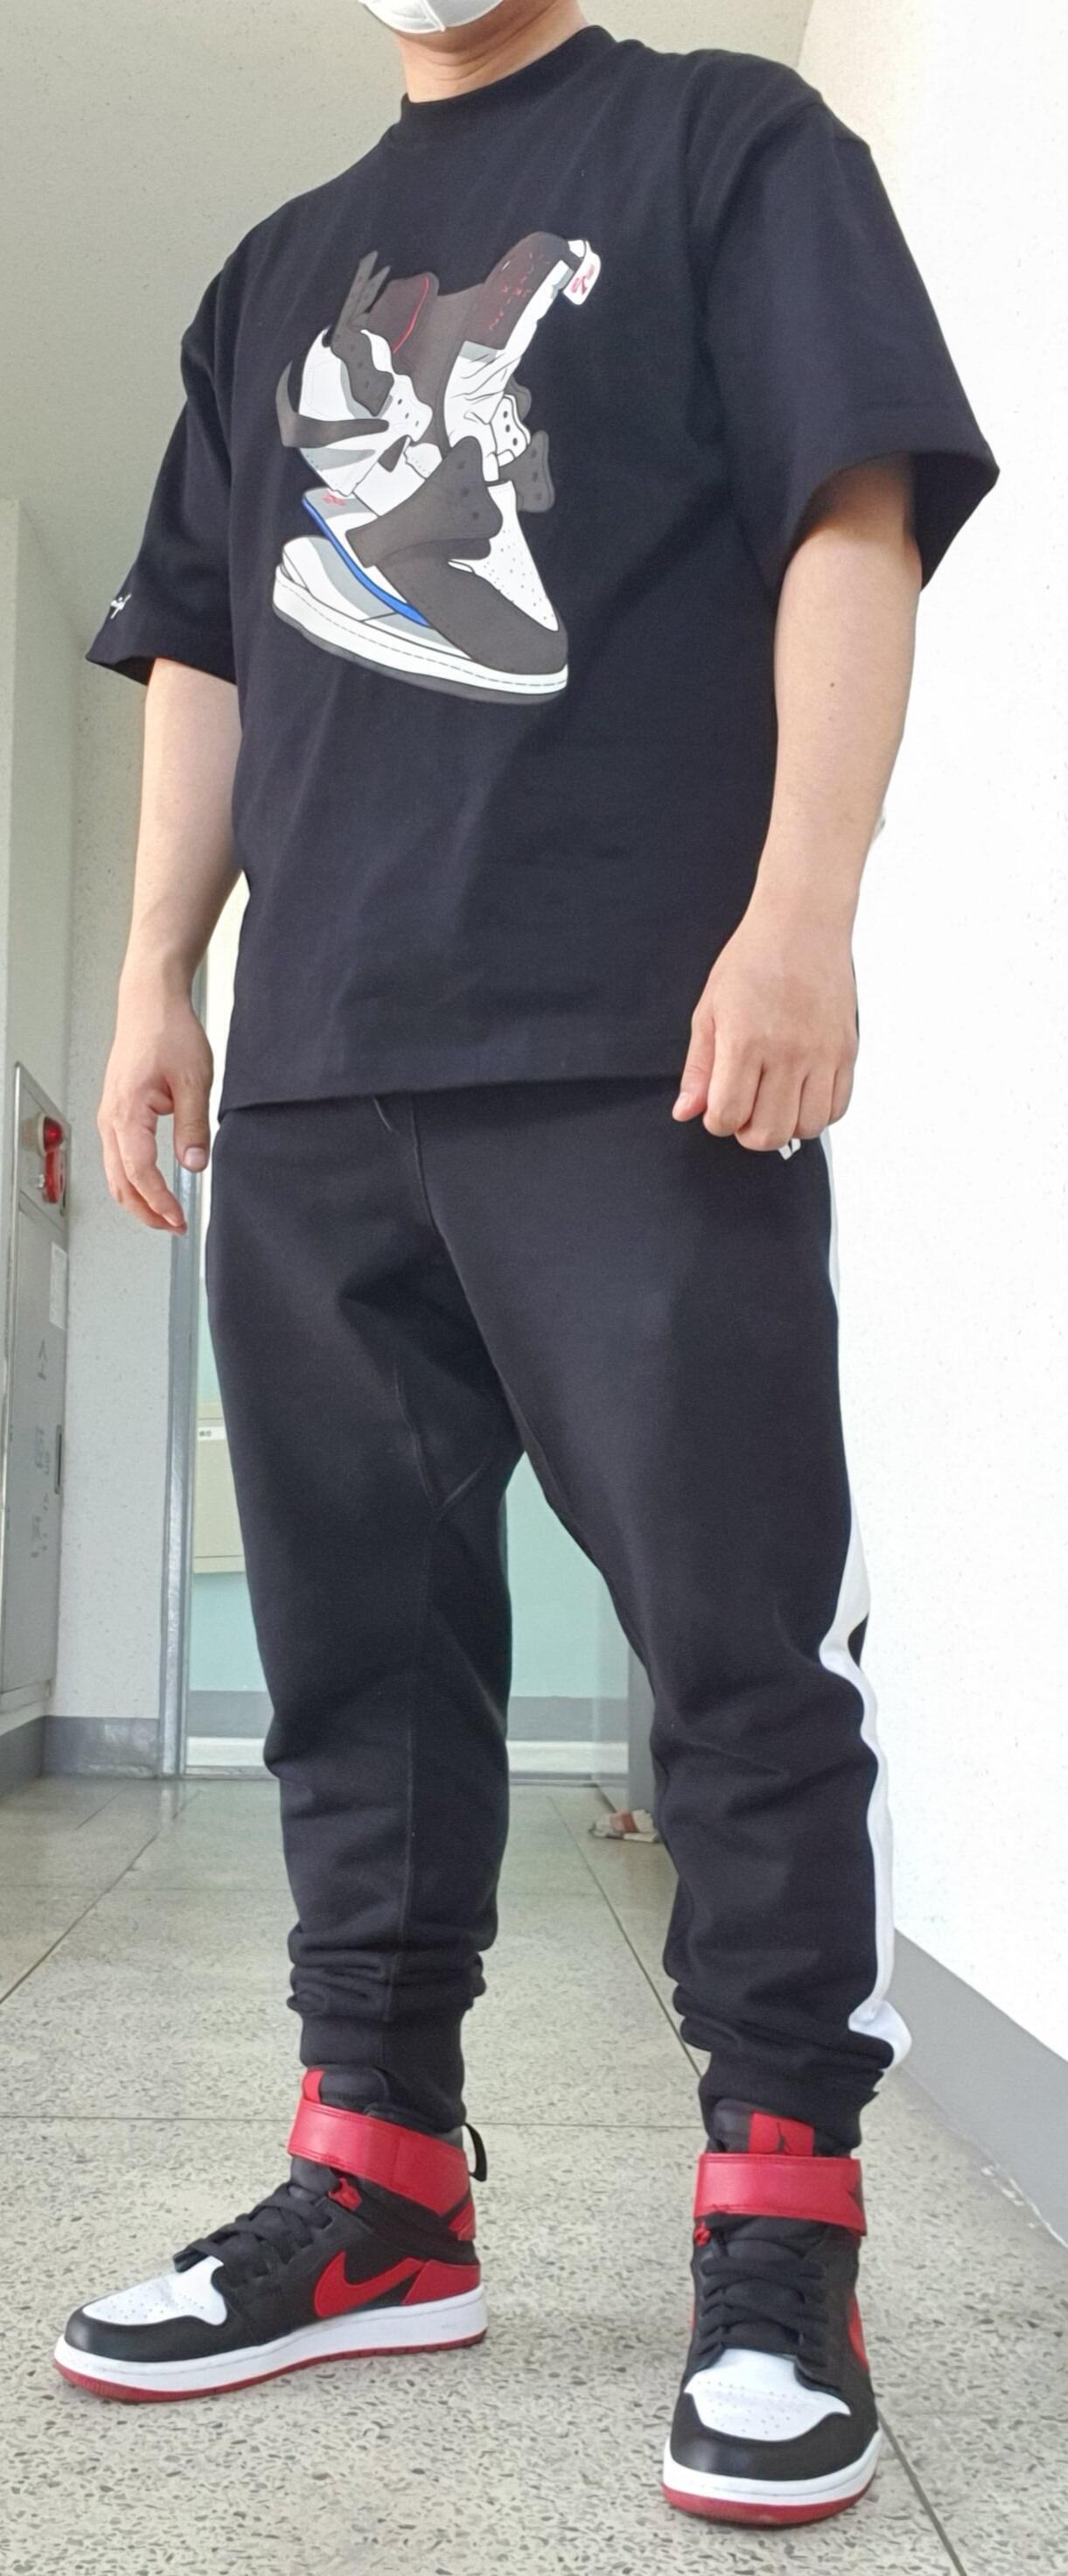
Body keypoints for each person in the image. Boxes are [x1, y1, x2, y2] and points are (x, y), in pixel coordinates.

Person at [53, 0, 996, 2528]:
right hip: (322, 1066)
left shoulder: (724, 142)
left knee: (732, 1646)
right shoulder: (270, 276)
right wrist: (156, 979)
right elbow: (207, 638)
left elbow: (851, 516)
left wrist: (803, 914)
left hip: (633, 1040)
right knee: (355, 1660)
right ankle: (379, 2183)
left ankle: (783, 2226)